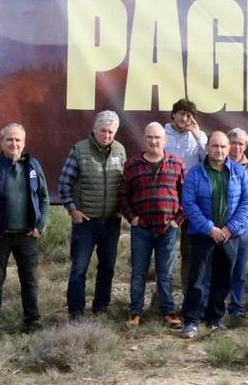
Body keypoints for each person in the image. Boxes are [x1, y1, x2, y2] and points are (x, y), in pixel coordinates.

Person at [0, 123, 50, 331]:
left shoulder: (33, 166)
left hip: (27, 234)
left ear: (24, 143)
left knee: (29, 281)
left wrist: (40, 225)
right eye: (10, 140)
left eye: (18, 140)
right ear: (1, 142)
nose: (14, 144)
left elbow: (44, 198)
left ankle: (33, 322)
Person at [179, 131, 248, 339]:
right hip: (204, 236)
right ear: (207, 147)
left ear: (228, 148)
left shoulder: (239, 172)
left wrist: (229, 229)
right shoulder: (195, 173)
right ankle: (191, 321)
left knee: (223, 279)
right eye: (215, 146)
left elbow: (247, 202)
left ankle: (214, 319)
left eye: (223, 146)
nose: (219, 150)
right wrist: (209, 228)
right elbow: (189, 204)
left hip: (230, 236)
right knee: (197, 279)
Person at [59, 110, 126, 321]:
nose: (107, 135)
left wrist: (122, 208)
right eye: (103, 131)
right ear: (94, 129)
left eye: (111, 132)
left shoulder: (120, 151)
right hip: (85, 222)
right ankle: (76, 310)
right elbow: (63, 184)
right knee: (79, 268)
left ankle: (101, 306)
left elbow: (125, 184)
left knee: (107, 267)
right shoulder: (79, 150)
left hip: (111, 222)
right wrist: (72, 210)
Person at [118, 122, 186, 328]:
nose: (153, 141)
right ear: (144, 139)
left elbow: (186, 196)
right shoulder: (132, 165)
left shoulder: (176, 164)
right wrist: (133, 218)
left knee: (165, 274)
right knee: (138, 272)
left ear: (165, 140)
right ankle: (135, 313)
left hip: (167, 229)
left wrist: (177, 220)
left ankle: (168, 312)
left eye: (158, 137)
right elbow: (122, 197)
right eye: (149, 137)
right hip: (142, 229)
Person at [164, 99, 207, 294]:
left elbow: (211, 161)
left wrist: (198, 137)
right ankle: (163, 299)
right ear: (173, 114)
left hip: (192, 200)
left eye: (189, 115)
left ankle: (189, 296)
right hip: (167, 198)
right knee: (166, 251)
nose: (185, 118)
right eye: (181, 113)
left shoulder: (198, 137)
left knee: (189, 251)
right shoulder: (162, 134)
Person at [225, 128, 248, 322]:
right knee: (218, 270)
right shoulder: (215, 164)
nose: (237, 147)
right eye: (234, 143)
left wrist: (232, 227)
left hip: (240, 229)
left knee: (239, 271)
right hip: (217, 229)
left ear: (246, 146)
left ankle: (236, 308)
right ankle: (215, 306)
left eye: (241, 144)